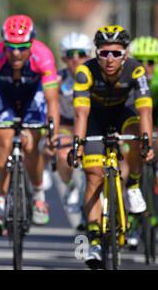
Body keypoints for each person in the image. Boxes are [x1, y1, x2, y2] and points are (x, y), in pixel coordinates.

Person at [71, 25, 154, 269]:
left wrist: (146, 142)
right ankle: (95, 238)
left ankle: (135, 184)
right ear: (96, 53)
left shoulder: (136, 70)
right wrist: (77, 145)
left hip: (122, 115)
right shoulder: (85, 72)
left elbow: (145, 110)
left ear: (125, 54)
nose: (110, 59)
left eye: (116, 53)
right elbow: (80, 114)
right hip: (94, 119)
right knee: (94, 177)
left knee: (138, 136)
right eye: (104, 53)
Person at [0, 14, 60, 235]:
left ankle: (38, 196)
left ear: (32, 43)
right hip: (4, 96)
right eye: (11, 47)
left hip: (32, 97)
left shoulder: (43, 55)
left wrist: (53, 135)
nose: (16, 53)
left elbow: (52, 100)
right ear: (3, 44)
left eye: (22, 47)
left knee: (30, 145)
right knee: (5, 143)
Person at [126, 36, 158, 249]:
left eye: (151, 61)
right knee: (126, 158)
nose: (145, 67)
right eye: (140, 61)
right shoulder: (128, 77)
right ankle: (129, 211)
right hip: (133, 116)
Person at [56, 32, 92, 216]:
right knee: (62, 154)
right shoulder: (57, 79)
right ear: (63, 58)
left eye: (81, 54)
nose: (76, 59)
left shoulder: (97, 76)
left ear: (89, 55)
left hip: (92, 125)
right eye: (70, 55)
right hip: (67, 126)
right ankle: (71, 185)